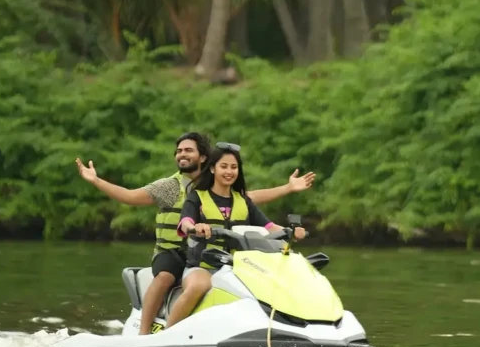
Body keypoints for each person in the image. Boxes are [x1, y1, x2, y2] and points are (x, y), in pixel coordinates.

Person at [75, 133, 315, 334]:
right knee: (166, 276)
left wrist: (288, 191)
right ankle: (146, 334)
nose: (182, 154)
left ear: (203, 157)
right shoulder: (170, 187)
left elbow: (247, 202)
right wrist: (96, 181)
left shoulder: (218, 184)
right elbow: (129, 196)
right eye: (179, 151)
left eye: (188, 150)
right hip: (174, 250)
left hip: (215, 253)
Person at [165, 144, 306, 329]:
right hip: (202, 267)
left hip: (238, 269)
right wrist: (195, 227)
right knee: (199, 286)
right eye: (224, 166)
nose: (229, 171)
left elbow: (270, 226)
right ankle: (167, 333)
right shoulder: (197, 197)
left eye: (234, 167)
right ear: (213, 168)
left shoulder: (243, 201)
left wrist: (292, 232)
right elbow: (186, 222)